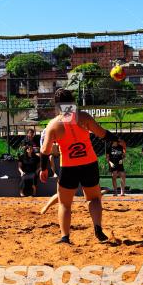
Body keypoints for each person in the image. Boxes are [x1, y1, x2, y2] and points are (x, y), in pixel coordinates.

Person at [39, 89, 116, 244]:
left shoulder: (53, 124)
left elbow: (45, 151)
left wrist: (44, 168)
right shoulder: (83, 117)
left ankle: (65, 237)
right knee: (94, 199)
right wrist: (117, 139)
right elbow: (102, 134)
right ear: (73, 101)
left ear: (57, 105)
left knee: (65, 203)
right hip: (89, 163)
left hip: (69, 166)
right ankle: (98, 229)